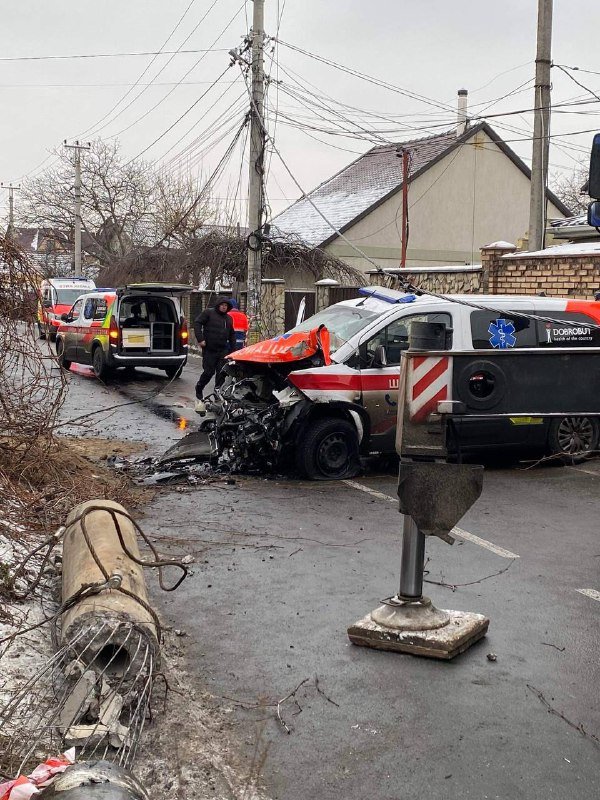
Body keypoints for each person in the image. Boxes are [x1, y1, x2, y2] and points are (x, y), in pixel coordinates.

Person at [193, 296, 236, 415]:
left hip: (222, 350)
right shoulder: (209, 313)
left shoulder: (229, 318)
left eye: (226, 306)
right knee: (209, 372)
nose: (224, 307)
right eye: (222, 305)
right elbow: (197, 323)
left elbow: (232, 335)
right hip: (209, 349)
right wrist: (200, 339)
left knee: (221, 373)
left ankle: (217, 392)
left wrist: (233, 351)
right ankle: (199, 387)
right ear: (218, 305)